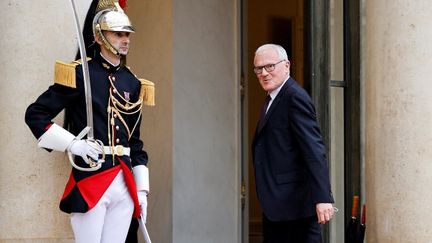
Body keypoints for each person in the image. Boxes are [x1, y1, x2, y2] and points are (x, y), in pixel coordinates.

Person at [24, 1, 154, 242]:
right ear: (99, 36)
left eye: (127, 34)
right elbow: (35, 114)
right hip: (92, 178)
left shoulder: (133, 83)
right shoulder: (79, 74)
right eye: (118, 34)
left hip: (124, 182)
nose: (125, 39)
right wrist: (74, 144)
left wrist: (142, 190)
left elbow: (135, 142)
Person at [251, 44, 334, 243]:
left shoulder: (294, 96)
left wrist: (323, 197)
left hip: (295, 207)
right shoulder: (272, 97)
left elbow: (314, 149)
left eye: (270, 66)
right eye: (258, 69)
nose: (264, 73)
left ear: (286, 65)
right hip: (278, 205)